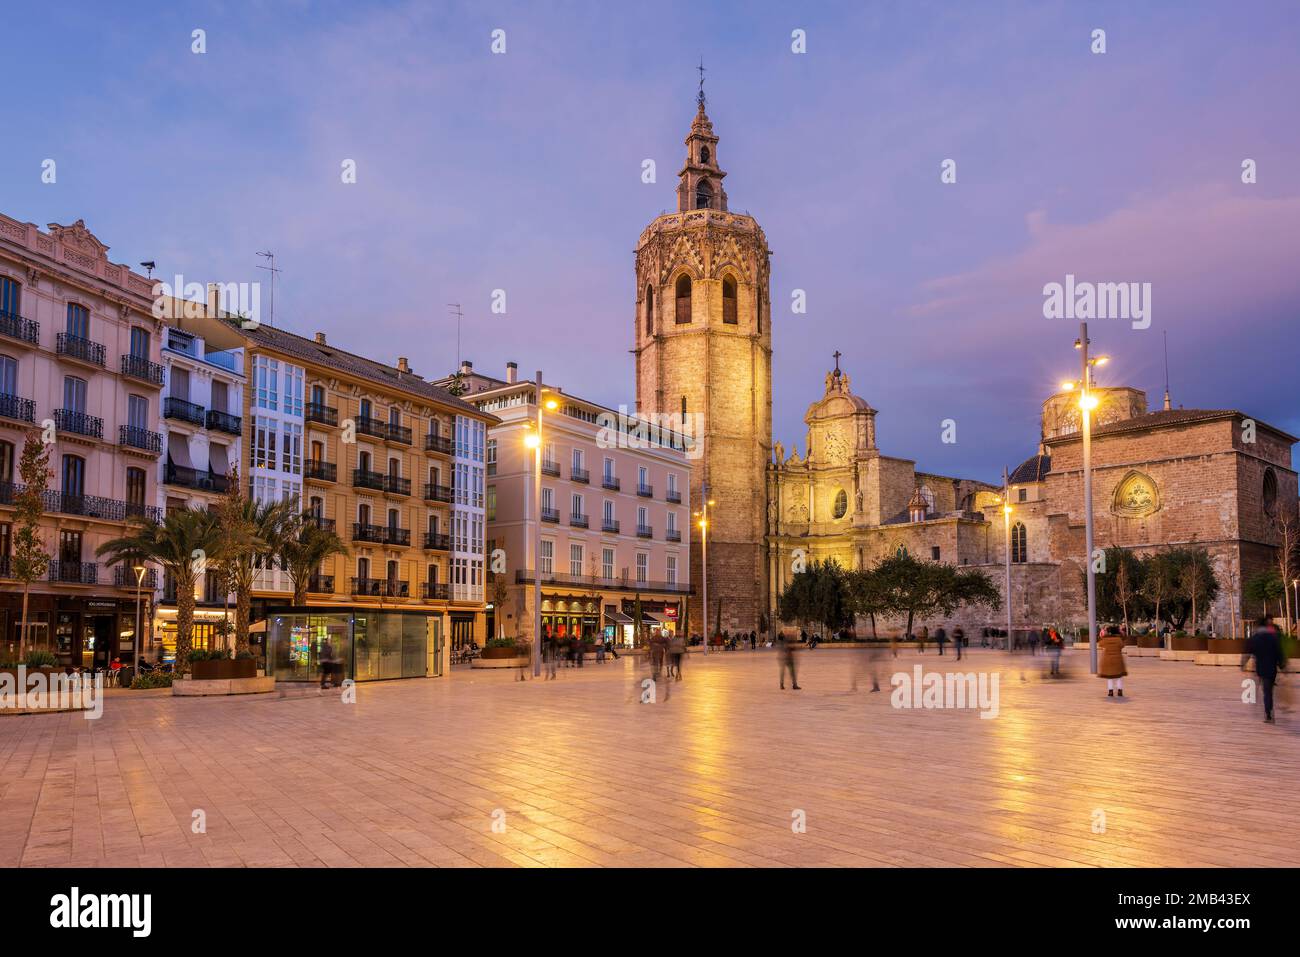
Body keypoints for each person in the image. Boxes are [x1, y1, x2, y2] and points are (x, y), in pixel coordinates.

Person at [1243, 615, 1287, 723]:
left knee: (1266, 691)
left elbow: (1248, 651)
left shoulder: (1255, 637)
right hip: (1272, 668)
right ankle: (1269, 711)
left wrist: (1243, 664)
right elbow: (1279, 652)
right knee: (1268, 691)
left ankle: (1268, 713)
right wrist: (1282, 665)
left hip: (1261, 668)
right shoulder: (1273, 637)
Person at [1098, 625, 1127, 697]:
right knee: (1119, 676)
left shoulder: (1105, 639)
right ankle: (1120, 691)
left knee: (1109, 677)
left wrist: (1104, 635)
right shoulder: (1118, 639)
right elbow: (1122, 645)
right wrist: (1121, 634)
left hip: (1108, 660)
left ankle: (1110, 691)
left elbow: (1100, 644)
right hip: (1117, 659)